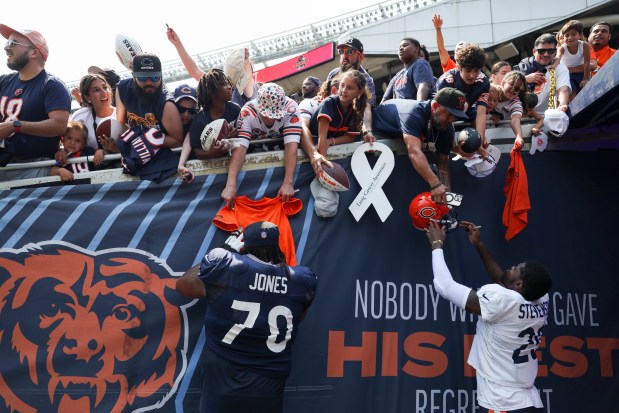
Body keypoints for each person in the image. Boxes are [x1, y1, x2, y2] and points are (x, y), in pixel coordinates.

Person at [176, 221, 317, 413]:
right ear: (277, 244)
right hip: (270, 375)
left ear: (244, 245)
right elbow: (298, 315)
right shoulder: (301, 279)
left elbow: (184, 285)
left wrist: (225, 248)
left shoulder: (226, 265)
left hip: (223, 369)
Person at [427, 220, 552, 413]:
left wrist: (437, 245)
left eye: (515, 268)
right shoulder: (540, 297)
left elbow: (444, 285)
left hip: (503, 402)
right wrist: (479, 245)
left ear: (519, 285)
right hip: (526, 399)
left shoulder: (504, 301)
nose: (510, 267)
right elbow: (505, 283)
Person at [373, 87, 475, 204]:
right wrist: (435, 184)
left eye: (455, 116)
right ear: (435, 106)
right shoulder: (413, 113)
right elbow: (414, 152)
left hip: (404, 135)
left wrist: (447, 200)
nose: (452, 119)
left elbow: (443, 162)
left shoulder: (446, 126)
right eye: (449, 114)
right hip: (380, 133)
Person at [0, 25, 71, 180]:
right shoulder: (4, 82)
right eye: (7, 43)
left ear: (34, 52)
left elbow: (59, 126)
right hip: (5, 164)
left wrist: (15, 126)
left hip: (35, 168)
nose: (6, 48)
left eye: (13, 43)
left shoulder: (52, 85)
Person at [223, 83, 301, 207]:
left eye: (274, 115)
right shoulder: (247, 112)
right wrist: (230, 185)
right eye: (266, 114)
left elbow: (291, 146)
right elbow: (240, 149)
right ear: (258, 106)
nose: (270, 119)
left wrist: (288, 182)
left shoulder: (291, 108)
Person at [115, 53, 183, 182]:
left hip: (162, 161)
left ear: (161, 76)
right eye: (143, 78)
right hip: (134, 159)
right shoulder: (122, 88)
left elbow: (177, 140)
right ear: (134, 77)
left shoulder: (167, 104)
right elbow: (121, 122)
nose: (149, 83)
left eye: (155, 77)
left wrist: (148, 139)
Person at [166, 26, 256, 106]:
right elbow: (196, 71)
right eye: (235, 67)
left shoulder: (249, 91)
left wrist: (245, 60)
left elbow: (247, 80)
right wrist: (177, 44)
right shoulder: (219, 86)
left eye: (240, 68)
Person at [178, 70, 240, 181]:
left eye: (228, 83)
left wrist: (236, 133)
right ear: (212, 92)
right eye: (224, 84)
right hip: (212, 174)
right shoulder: (199, 120)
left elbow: (245, 137)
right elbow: (196, 151)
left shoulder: (235, 109)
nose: (229, 87)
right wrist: (211, 153)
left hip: (236, 168)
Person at [436, 43, 490, 149]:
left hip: (466, 111)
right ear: (459, 66)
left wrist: (479, 141)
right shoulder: (446, 81)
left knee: (475, 118)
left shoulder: (483, 82)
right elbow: (444, 115)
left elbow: (481, 113)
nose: (472, 75)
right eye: (468, 70)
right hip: (444, 113)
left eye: (476, 70)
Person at [326, 38, 377, 144]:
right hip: (328, 126)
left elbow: (365, 108)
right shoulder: (333, 74)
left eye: (349, 51)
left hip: (350, 130)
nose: (344, 55)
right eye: (341, 51)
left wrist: (367, 131)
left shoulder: (366, 79)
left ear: (361, 56)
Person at [309, 70, 366, 156]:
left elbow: (350, 137)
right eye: (342, 85)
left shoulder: (356, 109)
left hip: (326, 146)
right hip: (312, 145)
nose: (344, 90)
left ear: (360, 92)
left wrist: (331, 141)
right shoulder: (329, 103)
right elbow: (322, 138)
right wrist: (322, 164)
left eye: (350, 88)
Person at [513, 33, 571, 115]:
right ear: (534, 51)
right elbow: (508, 87)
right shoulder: (523, 66)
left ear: (555, 52)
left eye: (550, 51)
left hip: (548, 116)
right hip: (521, 115)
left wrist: (562, 105)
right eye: (541, 51)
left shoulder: (560, 68)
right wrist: (525, 79)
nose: (546, 54)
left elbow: (563, 90)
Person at [68, 73, 117, 167]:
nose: (104, 92)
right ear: (87, 97)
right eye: (96, 90)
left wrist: (117, 149)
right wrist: (61, 152)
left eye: (105, 87)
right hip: (91, 172)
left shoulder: (122, 114)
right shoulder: (80, 117)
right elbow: (69, 144)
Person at [381, 37, 434, 103]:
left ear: (416, 49)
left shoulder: (420, 63)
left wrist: (420, 107)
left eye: (405, 45)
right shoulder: (397, 76)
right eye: (399, 47)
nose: (401, 48)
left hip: (414, 111)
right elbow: (385, 99)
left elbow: (423, 87)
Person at [555, 20, 592, 97]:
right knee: (571, 92)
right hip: (567, 74)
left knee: (585, 91)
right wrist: (553, 65)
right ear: (563, 37)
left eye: (573, 34)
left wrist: (585, 78)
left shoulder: (585, 45)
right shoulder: (562, 48)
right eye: (567, 35)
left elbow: (587, 63)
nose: (570, 38)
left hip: (582, 73)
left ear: (580, 35)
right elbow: (557, 58)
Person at [492, 71, 528, 148]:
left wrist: (519, 136)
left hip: (502, 139)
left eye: (518, 89)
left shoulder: (516, 103)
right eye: (512, 84)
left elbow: (515, 119)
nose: (513, 89)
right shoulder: (491, 91)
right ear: (503, 82)